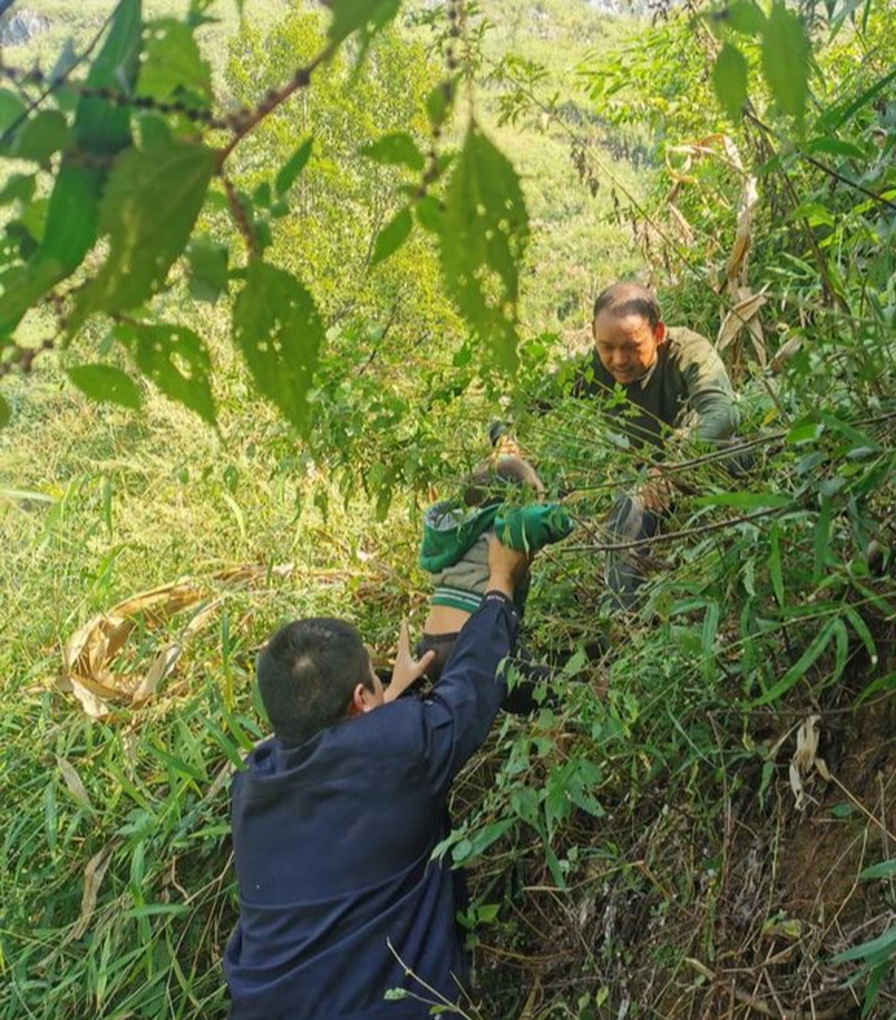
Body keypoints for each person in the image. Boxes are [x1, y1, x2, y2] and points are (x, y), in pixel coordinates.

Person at [223, 536, 531, 1019]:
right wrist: (499, 583)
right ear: (362, 698)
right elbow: (470, 688)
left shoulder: (249, 788)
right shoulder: (399, 753)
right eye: (376, 677)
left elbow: (340, 755)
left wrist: (389, 698)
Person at [576, 281, 739, 606]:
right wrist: (504, 436)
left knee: (740, 452)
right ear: (594, 333)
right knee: (629, 506)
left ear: (658, 332)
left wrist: (674, 467)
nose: (618, 359)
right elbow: (531, 402)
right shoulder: (591, 368)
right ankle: (621, 618)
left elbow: (724, 412)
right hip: (644, 486)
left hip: (699, 464)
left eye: (632, 346)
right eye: (606, 346)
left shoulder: (688, 351)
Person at [415, 454, 573, 712]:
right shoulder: (503, 524)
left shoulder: (459, 532)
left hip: (430, 645)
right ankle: (575, 700)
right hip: (468, 641)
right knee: (544, 689)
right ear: (518, 503)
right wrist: (566, 516)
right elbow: (549, 521)